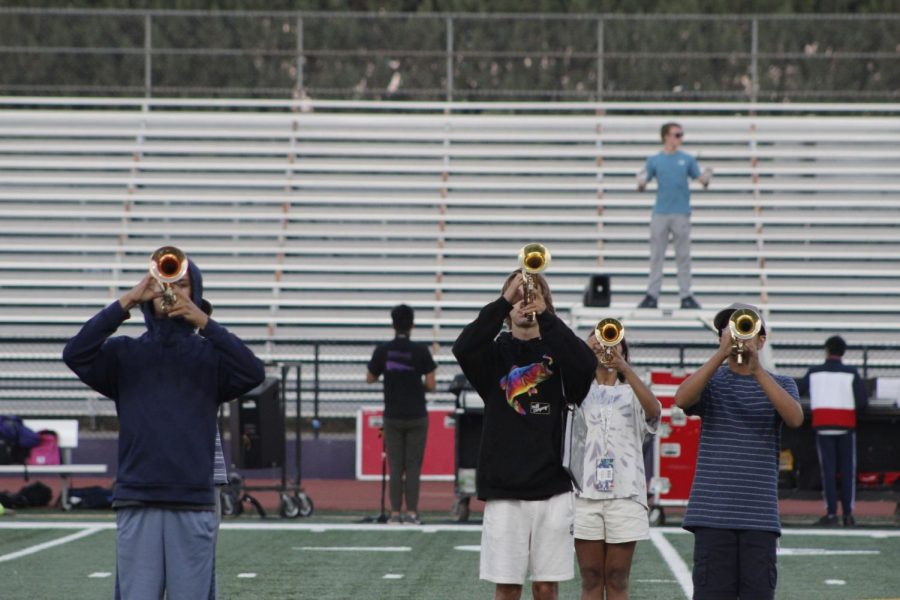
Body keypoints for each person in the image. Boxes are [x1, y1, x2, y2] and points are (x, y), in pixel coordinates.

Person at [62, 255, 265, 599]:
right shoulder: (124, 353)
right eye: (163, 282)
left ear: (196, 294)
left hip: (193, 499)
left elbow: (253, 373)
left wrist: (205, 322)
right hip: (137, 496)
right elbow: (75, 353)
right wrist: (126, 301)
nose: (170, 290)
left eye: (182, 284)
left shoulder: (210, 355)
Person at [452, 271, 596, 600]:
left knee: (546, 588)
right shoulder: (494, 355)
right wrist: (503, 301)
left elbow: (585, 366)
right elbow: (463, 347)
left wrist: (545, 316)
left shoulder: (560, 353)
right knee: (507, 588)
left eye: (532, 295)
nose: (524, 302)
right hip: (505, 490)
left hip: (553, 488)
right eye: (517, 296)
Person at [674, 302, 803, 600]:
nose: (738, 336)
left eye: (745, 329)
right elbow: (681, 399)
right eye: (729, 330)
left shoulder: (781, 383)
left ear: (761, 339)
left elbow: (795, 418)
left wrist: (757, 370)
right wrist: (721, 354)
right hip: (712, 515)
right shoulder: (712, 381)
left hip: (759, 517)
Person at [575, 329, 661, 600]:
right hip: (582, 495)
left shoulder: (632, 390)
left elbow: (654, 411)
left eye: (612, 343)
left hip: (626, 494)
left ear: (624, 350)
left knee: (617, 576)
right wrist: (583, 353)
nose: (605, 348)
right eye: (598, 343)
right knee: (590, 576)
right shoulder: (577, 389)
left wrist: (624, 368)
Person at [366, 304, 437, 525]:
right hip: (417, 415)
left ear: (392, 324)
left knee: (395, 465)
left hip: (392, 415)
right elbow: (431, 385)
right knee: (413, 466)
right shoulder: (421, 350)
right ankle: (412, 513)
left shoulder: (383, 350)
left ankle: (395, 513)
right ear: (413, 324)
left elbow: (370, 378)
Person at [636, 122, 711, 310]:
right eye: (676, 135)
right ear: (666, 137)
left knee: (683, 256)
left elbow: (701, 180)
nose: (679, 139)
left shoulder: (687, 159)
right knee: (657, 256)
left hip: (681, 213)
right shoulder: (654, 160)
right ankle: (652, 295)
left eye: (680, 135)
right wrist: (640, 182)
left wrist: (707, 177)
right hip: (660, 212)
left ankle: (686, 295)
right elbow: (643, 183)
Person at [797, 335, 868, 527]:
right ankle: (848, 514)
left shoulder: (814, 372)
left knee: (827, 472)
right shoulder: (851, 373)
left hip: (823, 426)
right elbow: (862, 402)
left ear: (827, 350)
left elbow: (797, 392)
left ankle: (830, 514)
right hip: (846, 426)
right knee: (847, 472)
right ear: (843, 352)